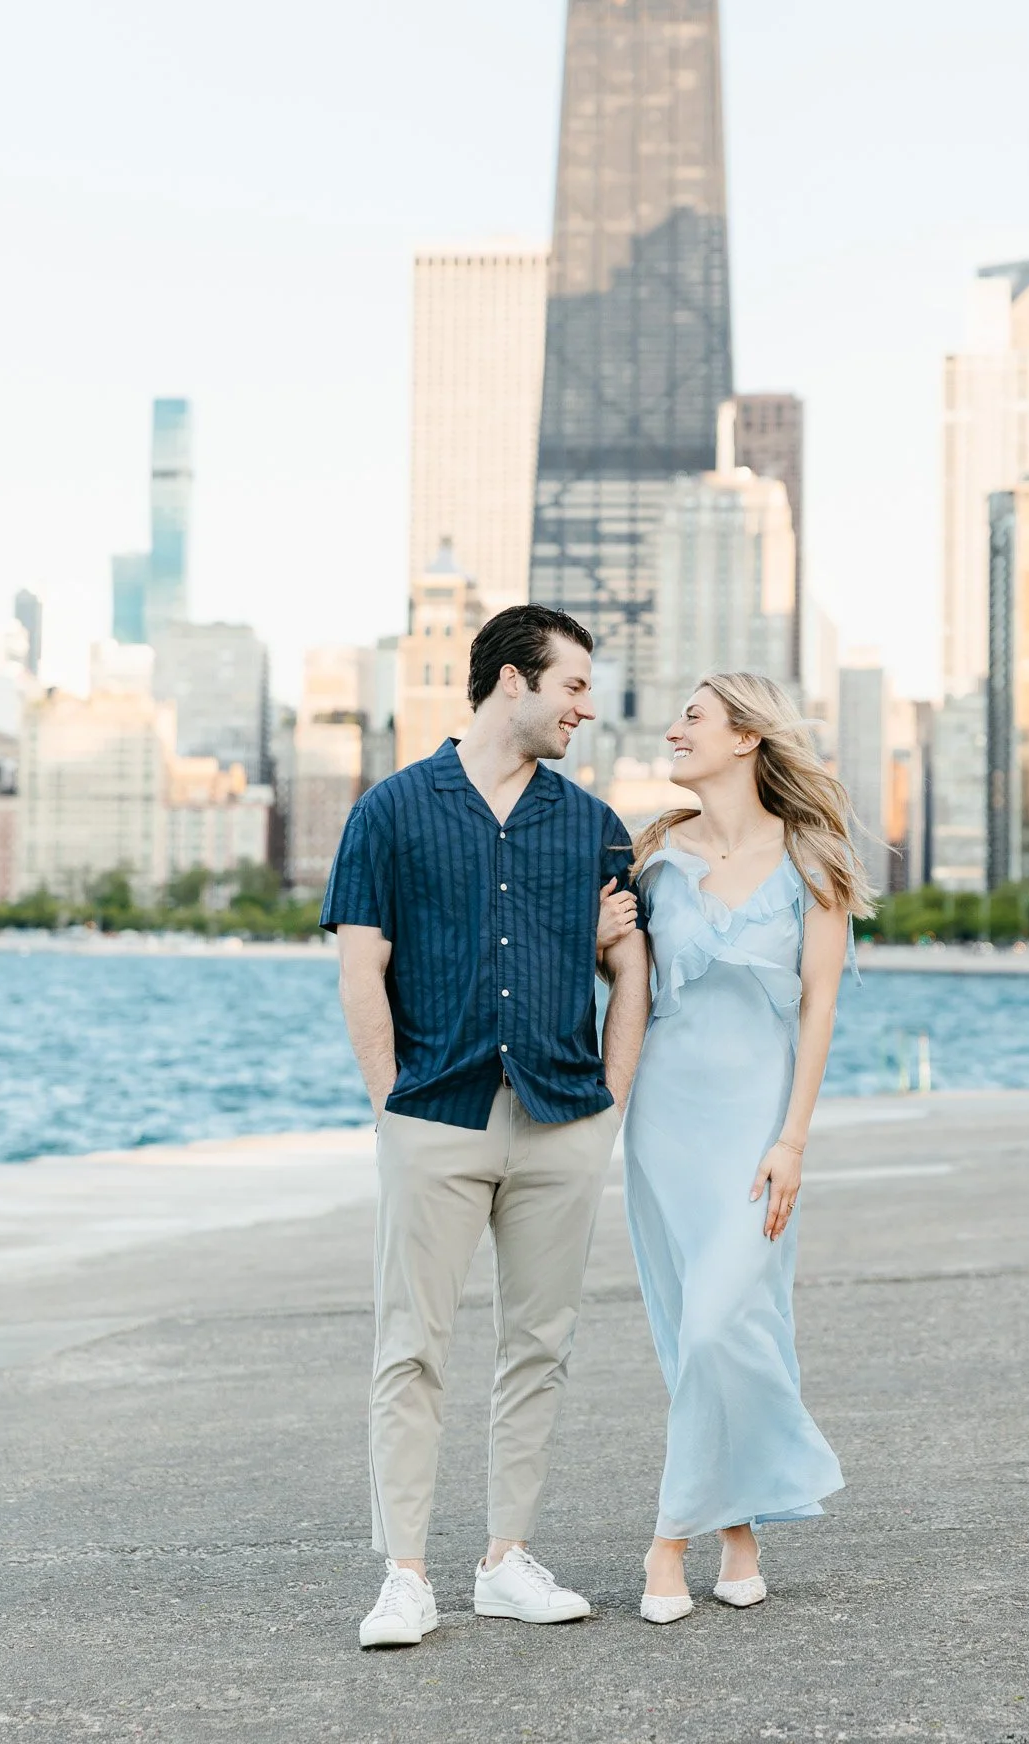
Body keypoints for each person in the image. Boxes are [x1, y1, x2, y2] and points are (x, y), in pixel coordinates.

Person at [323, 603, 650, 1650]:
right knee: (410, 1347)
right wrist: (390, 1110)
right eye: (574, 687)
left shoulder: (593, 821)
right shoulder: (388, 812)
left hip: (563, 1118)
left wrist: (613, 1103)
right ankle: (405, 1574)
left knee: (537, 1346)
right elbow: (360, 968)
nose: (586, 710)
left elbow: (630, 965)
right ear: (514, 681)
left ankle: (506, 1558)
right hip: (438, 1117)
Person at [596, 671, 872, 1623]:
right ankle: (738, 1532)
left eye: (693, 717)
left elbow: (821, 1005)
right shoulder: (653, 852)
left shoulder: (814, 857)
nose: (672, 729)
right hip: (666, 1124)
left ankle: (666, 1540)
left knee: (729, 1323)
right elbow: (622, 980)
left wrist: (792, 1139)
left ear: (746, 738)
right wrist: (602, 942)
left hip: (758, 1128)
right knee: (693, 1332)